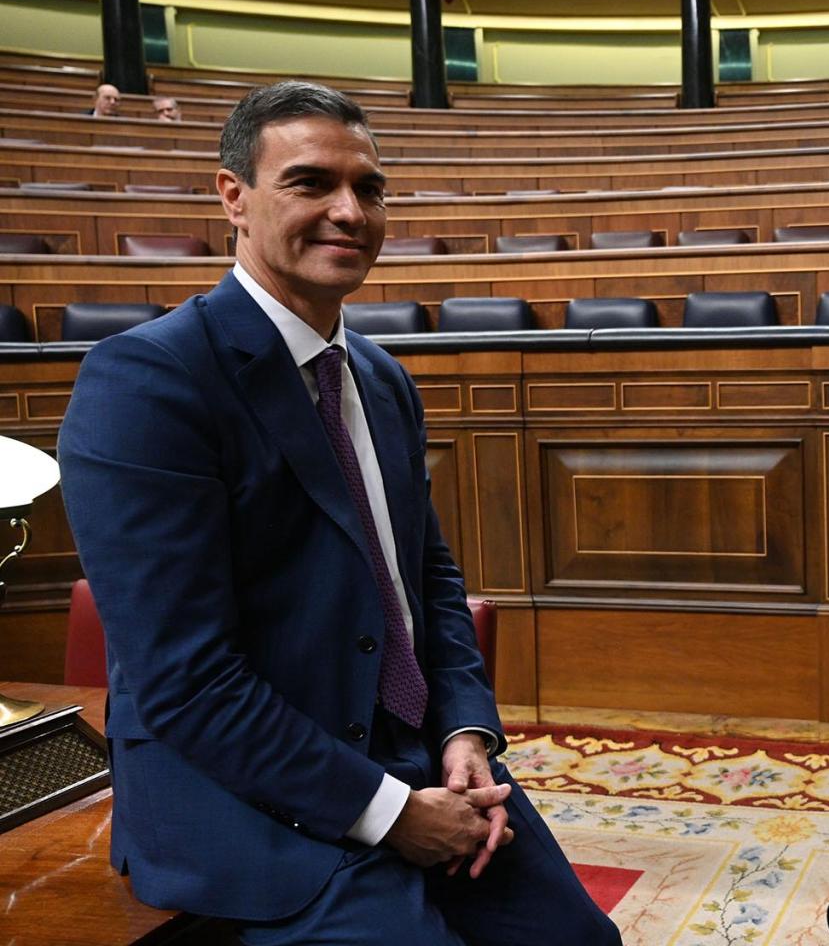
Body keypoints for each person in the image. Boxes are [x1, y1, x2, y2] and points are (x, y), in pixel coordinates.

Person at [56, 81, 621, 945]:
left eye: (370, 188)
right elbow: (188, 685)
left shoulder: (382, 381)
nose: (349, 212)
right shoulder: (148, 382)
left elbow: (422, 577)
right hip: (242, 797)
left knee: (583, 941)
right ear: (232, 197)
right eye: (312, 183)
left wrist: (467, 731)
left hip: (404, 754)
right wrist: (391, 812)